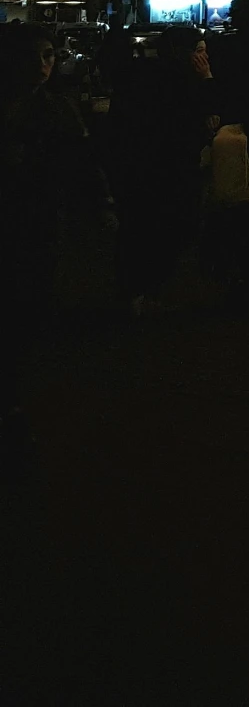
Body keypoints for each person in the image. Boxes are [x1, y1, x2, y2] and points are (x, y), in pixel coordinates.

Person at [1, 24, 91, 448]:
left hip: (35, 222)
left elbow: (80, 167)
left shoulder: (57, 109)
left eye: (49, 56)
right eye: (34, 56)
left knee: (26, 307)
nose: (42, 66)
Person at [110, 25, 221, 316]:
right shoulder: (173, 81)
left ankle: (140, 292)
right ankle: (139, 292)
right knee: (163, 227)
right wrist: (206, 80)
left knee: (157, 228)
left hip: (158, 166)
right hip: (163, 167)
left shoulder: (154, 76)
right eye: (198, 52)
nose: (204, 58)